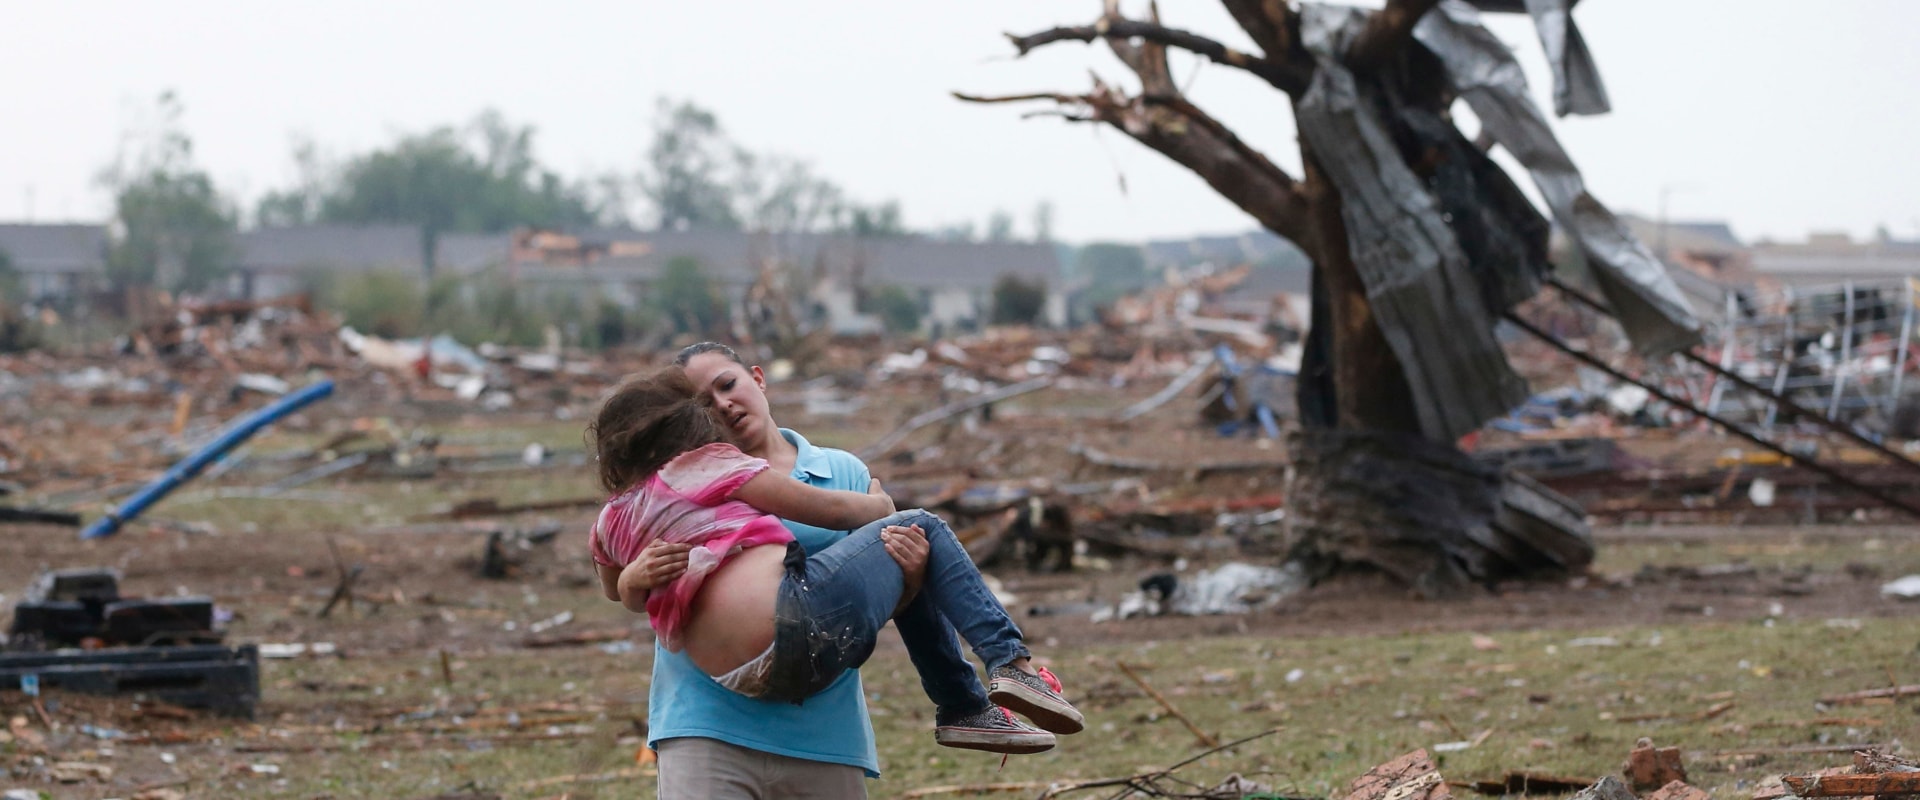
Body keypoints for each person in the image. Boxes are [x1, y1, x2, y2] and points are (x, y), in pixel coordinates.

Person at [612, 343, 1064, 799]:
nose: (723, 405)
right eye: (704, 404)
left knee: (914, 540)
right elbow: (617, 582)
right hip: (705, 724)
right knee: (919, 524)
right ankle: (987, 685)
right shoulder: (675, 482)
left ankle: (974, 699)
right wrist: (633, 579)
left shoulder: (841, 471)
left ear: (758, 378)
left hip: (822, 733)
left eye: (728, 385)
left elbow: (859, 603)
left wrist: (909, 580)